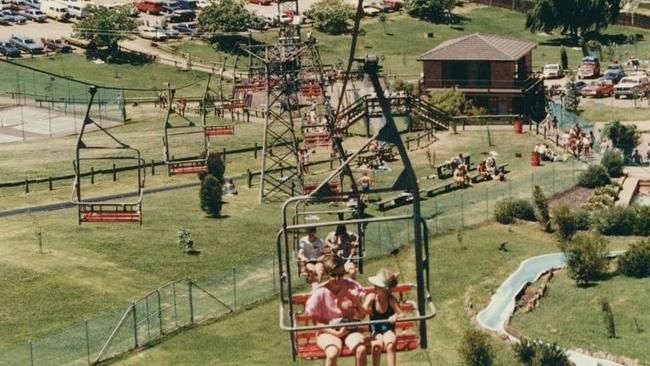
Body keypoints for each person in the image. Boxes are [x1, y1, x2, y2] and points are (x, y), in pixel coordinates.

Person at [304, 256, 368, 366]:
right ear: (327, 275)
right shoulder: (320, 292)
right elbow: (316, 324)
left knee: (361, 349)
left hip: (348, 327)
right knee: (332, 353)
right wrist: (337, 333)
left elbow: (361, 316)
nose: (337, 278)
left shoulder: (350, 286)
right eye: (333, 275)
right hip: (328, 331)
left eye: (341, 275)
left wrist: (356, 302)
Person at [363, 269, 405, 366]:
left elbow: (401, 314)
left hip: (388, 328)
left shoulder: (391, 300)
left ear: (384, 288)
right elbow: (364, 308)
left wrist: (395, 315)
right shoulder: (372, 297)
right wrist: (361, 307)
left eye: (377, 286)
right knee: (376, 346)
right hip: (376, 330)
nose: (374, 287)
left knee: (390, 345)